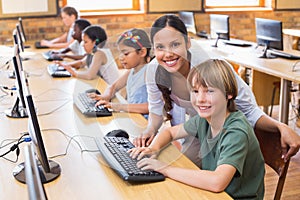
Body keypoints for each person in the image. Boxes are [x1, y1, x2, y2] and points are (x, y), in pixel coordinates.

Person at [134, 14, 300, 165]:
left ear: (188, 42)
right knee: (160, 165)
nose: (168, 53)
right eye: (160, 47)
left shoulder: (211, 66)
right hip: (195, 131)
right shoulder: (154, 70)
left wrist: (281, 127)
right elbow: (156, 111)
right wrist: (149, 131)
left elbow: (249, 111)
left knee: (174, 168)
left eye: (175, 44)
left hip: (222, 137)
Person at [129, 59, 265, 199]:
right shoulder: (204, 120)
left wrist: (164, 168)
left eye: (209, 91)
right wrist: (153, 149)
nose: (200, 99)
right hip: (212, 194)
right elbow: (169, 132)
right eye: (195, 91)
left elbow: (217, 182)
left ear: (229, 93)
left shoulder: (236, 132)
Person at [89, 28, 152, 118]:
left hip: (144, 124)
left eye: (126, 53)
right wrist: (105, 96)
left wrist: (119, 106)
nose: (121, 57)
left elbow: (151, 107)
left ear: (142, 52)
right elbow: (114, 86)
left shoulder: (149, 73)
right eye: (120, 53)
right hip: (133, 117)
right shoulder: (132, 71)